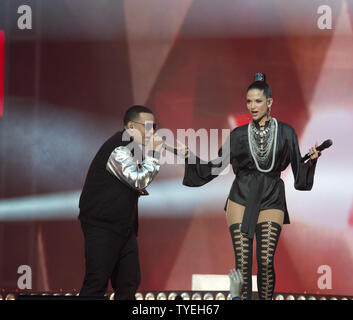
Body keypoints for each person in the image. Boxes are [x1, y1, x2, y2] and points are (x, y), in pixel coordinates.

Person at [182, 73, 322, 300]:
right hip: (241, 198)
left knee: (266, 261)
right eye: (248, 101)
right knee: (243, 264)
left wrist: (312, 161)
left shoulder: (286, 133)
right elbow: (216, 166)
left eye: (258, 101)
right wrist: (190, 157)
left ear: (269, 102)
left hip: (272, 198)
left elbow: (299, 176)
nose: (252, 106)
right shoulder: (238, 135)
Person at [78, 105, 163, 299]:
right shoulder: (119, 147)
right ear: (131, 126)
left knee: (128, 282)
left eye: (154, 127)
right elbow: (139, 179)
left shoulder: (133, 149)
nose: (152, 132)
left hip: (123, 227)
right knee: (96, 283)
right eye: (148, 127)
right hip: (103, 224)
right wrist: (155, 154)